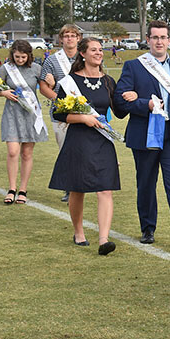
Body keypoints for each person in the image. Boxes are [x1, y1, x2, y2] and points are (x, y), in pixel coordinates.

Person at [113, 19, 170, 250]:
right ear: (148, 40)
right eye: (155, 37)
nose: (159, 41)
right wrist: (146, 105)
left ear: (169, 40)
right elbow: (120, 100)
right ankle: (148, 228)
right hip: (145, 134)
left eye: (163, 37)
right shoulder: (134, 66)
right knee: (146, 183)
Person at [48, 38, 126, 255]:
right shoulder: (69, 82)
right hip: (79, 141)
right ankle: (79, 231)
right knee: (78, 189)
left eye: (100, 50)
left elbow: (119, 110)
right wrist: (83, 119)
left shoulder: (109, 81)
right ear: (83, 54)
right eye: (94, 50)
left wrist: (132, 97)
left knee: (105, 188)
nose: (99, 53)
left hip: (102, 141)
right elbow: (58, 113)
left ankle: (104, 239)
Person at [0, 40, 50, 205]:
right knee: (12, 152)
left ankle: (23, 190)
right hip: (12, 113)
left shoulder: (36, 69)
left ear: (29, 55)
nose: (20, 60)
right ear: (12, 54)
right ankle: (12, 188)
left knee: (26, 153)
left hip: (30, 114)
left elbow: (46, 86)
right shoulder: (5, 68)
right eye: (17, 56)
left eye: (23, 57)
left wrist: (51, 81)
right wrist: (3, 93)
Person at [39, 24, 82, 202]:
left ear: (78, 38)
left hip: (85, 111)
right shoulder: (51, 60)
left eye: (73, 35)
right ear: (61, 39)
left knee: (84, 149)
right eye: (66, 36)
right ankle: (68, 187)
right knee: (65, 150)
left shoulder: (85, 57)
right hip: (61, 112)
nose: (70, 38)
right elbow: (43, 87)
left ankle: (83, 184)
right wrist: (61, 100)